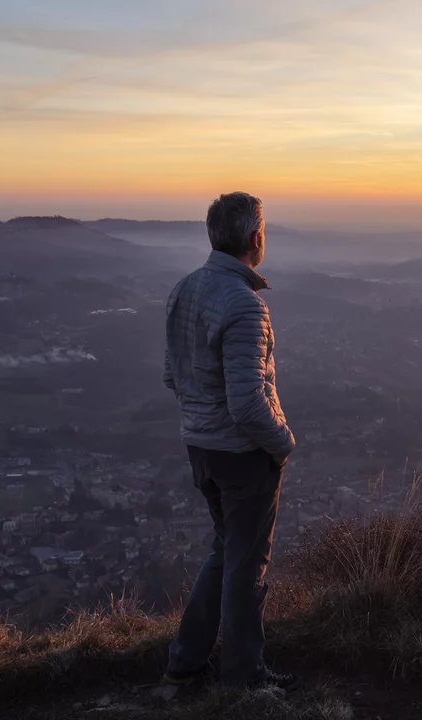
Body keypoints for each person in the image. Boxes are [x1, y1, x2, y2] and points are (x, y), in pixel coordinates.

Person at [160, 191, 299, 690]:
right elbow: (246, 402)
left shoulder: (183, 290)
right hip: (243, 455)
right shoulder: (245, 306)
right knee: (245, 568)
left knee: (225, 553)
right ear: (254, 237)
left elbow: (173, 375)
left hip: (200, 447)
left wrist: (201, 418)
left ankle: (186, 660)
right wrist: (282, 444)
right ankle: (245, 678)